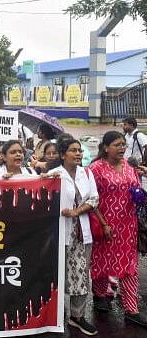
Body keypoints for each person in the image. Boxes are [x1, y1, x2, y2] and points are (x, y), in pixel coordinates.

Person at [89, 131, 147, 326]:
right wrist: (103, 223)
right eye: (117, 144)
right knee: (102, 260)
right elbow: (90, 199)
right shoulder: (95, 169)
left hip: (128, 226)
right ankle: (99, 296)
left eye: (123, 144)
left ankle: (131, 308)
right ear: (106, 148)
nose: (122, 148)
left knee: (129, 267)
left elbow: (135, 189)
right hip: (104, 224)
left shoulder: (130, 168)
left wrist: (139, 194)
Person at [47, 138, 99, 336]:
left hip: (81, 232)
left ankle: (77, 316)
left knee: (81, 275)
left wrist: (77, 211)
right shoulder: (54, 174)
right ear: (62, 154)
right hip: (59, 233)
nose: (78, 154)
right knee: (57, 274)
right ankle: (56, 315)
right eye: (73, 150)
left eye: (79, 150)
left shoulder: (87, 173)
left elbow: (94, 198)